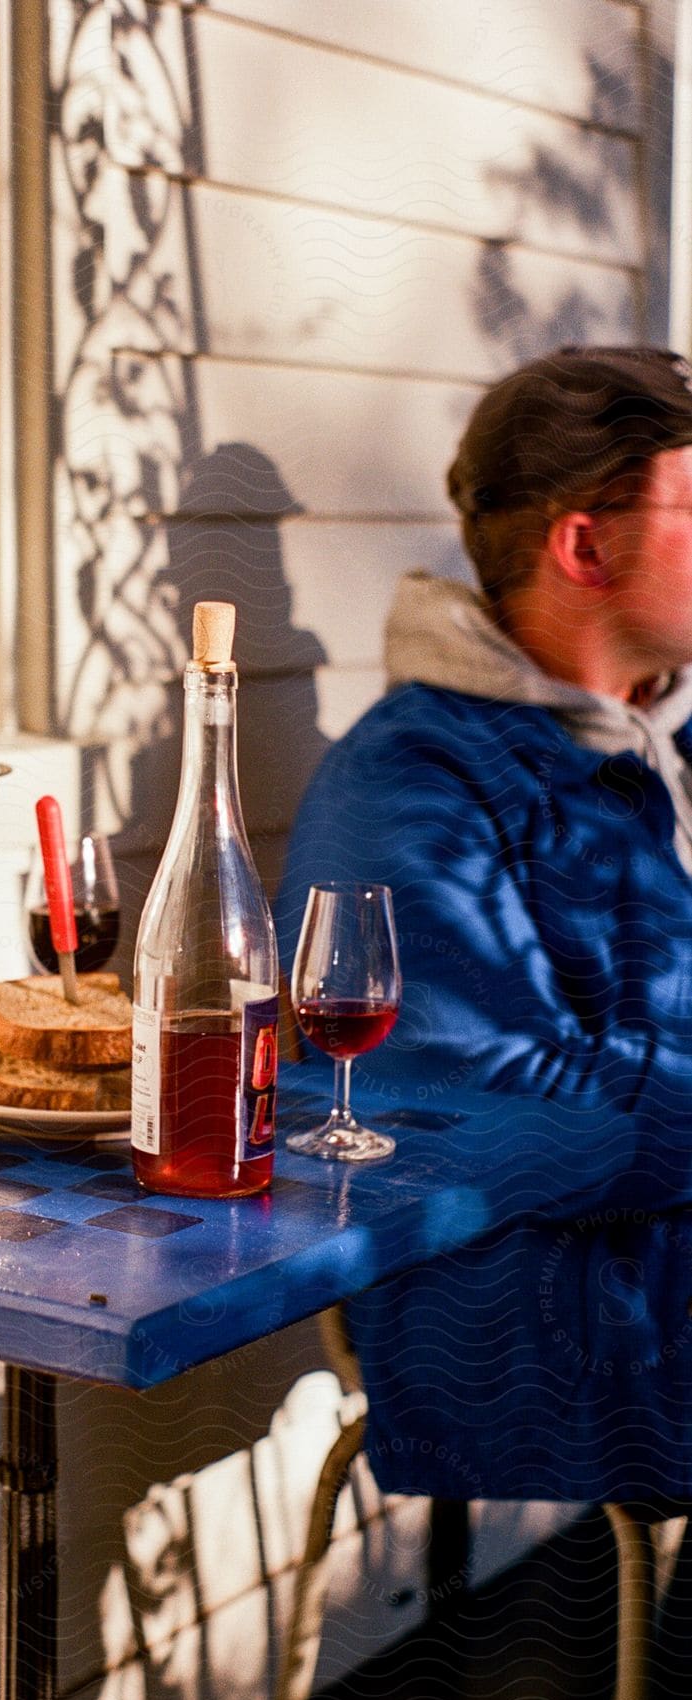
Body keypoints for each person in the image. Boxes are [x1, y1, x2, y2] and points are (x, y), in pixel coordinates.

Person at [276, 346, 692, 1500]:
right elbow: (475, 1104)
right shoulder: (411, 782)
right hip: (555, 1311)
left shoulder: (655, 742)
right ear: (583, 543)